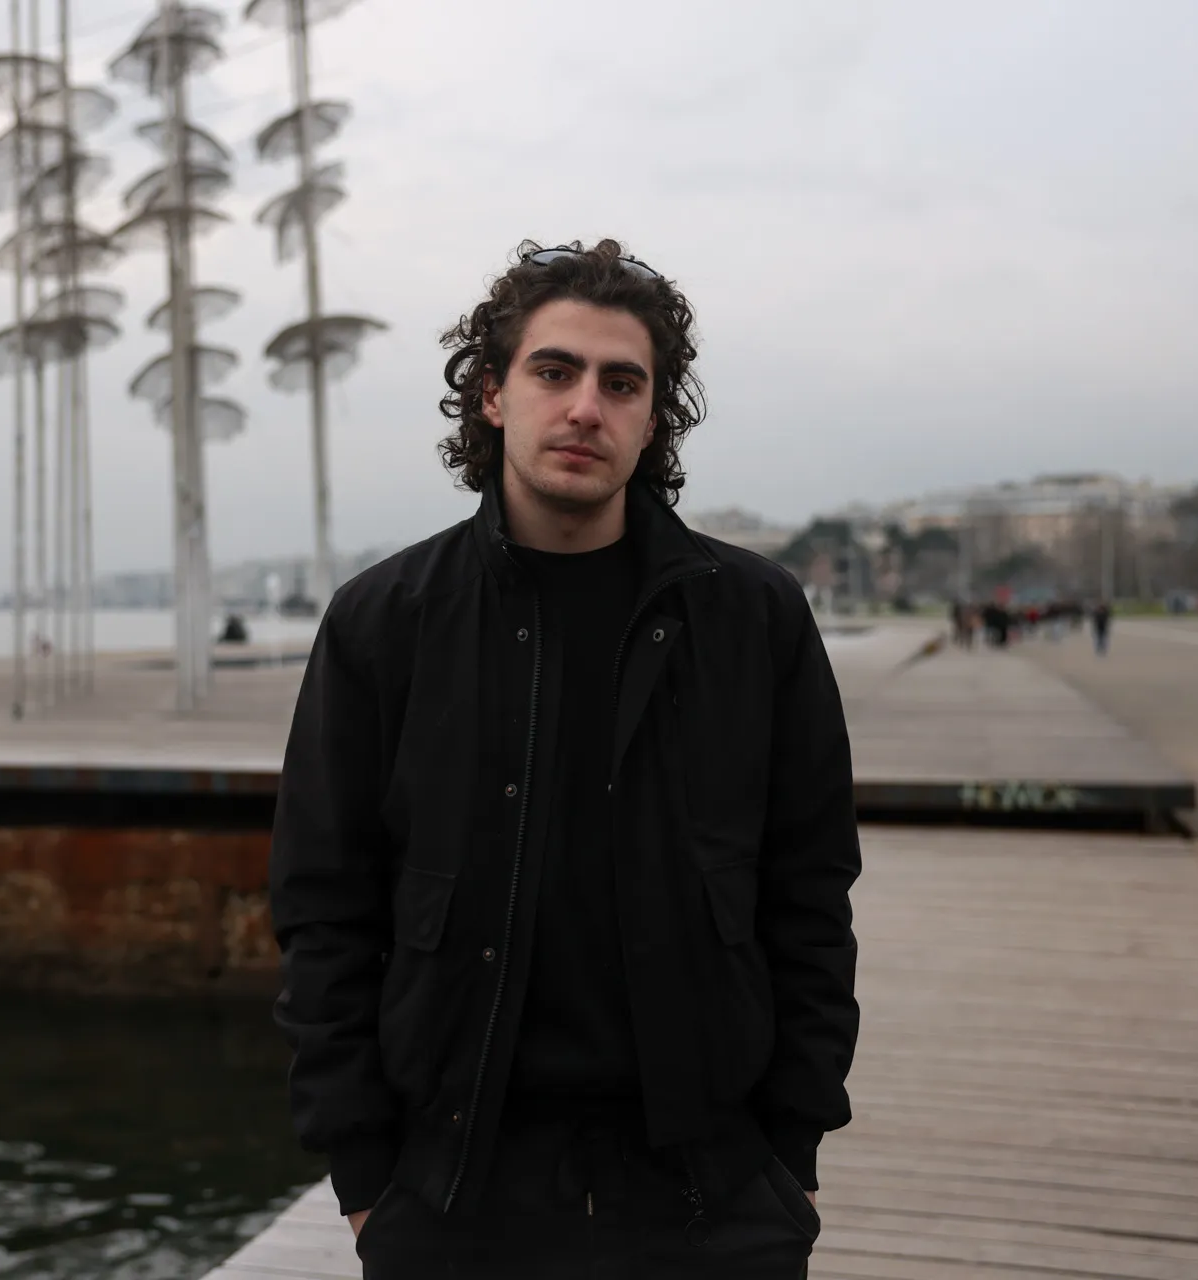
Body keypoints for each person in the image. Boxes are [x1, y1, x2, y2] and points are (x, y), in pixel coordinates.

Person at [270, 240, 860, 1279]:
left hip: (713, 1188)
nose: (586, 406)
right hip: (457, 1192)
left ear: (653, 417)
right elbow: (325, 910)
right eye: (555, 371)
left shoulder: (754, 617)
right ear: (493, 395)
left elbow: (809, 893)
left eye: (621, 383)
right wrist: (365, 1179)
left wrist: (791, 1156)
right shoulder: (385, 623)